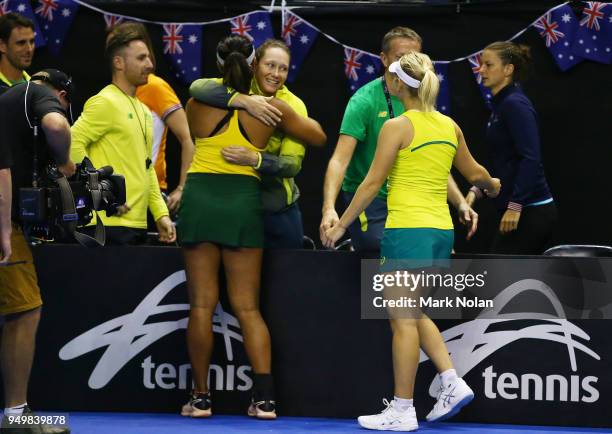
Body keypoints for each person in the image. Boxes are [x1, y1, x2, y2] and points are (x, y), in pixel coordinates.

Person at [323, 52, 500, 431]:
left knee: (402, 321)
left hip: (407, 231)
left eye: (390, 76)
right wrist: (492, 186)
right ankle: (450, 381)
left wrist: (340, 226)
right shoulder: (449, 126)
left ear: (398, 84)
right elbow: (476, 173)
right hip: (439, 233)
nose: (387, 80)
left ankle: (403, 409)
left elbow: (371, 184)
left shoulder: (397, 127)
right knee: (414, 314)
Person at [178, 34, 325, 420]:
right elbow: (319, 137)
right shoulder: (270, 110)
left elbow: (199, 89)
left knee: (200, 306)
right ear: (254, 63)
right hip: (242, 203)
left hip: (199, 200)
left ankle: (201, 398)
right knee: (247, 307)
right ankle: (264, 401)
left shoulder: (195, 102)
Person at [320, 27, 478, 253]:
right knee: (390, 250)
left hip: (413, 202)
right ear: (384, 59)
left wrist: (461, 202)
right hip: (370, 201)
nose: (406, 64)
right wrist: (329, 209)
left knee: (426, 257)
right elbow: (340, 160)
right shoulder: (364, 101)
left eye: (413, 58)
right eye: (399, 57)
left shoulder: (426, 106)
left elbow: (435, 164)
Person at [0, 69, 75, 434]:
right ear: (62, 95)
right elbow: (57, 127)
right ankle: (17, 416)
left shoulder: (9, 99)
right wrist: (63, 162)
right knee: (25, 310)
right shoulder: (41, 95)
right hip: (3, 226)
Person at [190, 39, 313, 249]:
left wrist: (255, 159)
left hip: (277, 208)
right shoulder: (239, 86)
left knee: (288, 277)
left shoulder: (293, 105)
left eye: (283, 69)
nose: (276, 74)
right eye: (270, 65)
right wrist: (244, 100)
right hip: (232, 204)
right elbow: (197, 87)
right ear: (254, 64)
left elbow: (292, 165)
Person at [70, 24, 175, 245]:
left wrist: (160, 214)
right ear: (118, 62)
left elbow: (147, 168)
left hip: (135, 224)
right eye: (141, 58)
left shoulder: (145, 111)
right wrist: (100, 193)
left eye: (148, 57)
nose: (150, 64)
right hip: (107, 226)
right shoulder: (105, 101)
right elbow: (71, 144)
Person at [467, 41, 556, 255]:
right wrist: (478, 190)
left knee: (500, 279)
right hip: (518, 209)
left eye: (488, 65)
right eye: (481, 64)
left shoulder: (515, 104)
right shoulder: (500, 105)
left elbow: (530, 158)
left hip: (531, 210)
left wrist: (515, 206)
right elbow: (503, 162)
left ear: (508, 69)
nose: (481, 70)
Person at [107, 22, 194, 214]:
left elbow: (188, 138)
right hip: (117, 192)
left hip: (150, 193)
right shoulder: (111, 94)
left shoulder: (155, 86)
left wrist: (182, 188)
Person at [0, 13, 34, 92]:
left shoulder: (38, 86)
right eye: (21, 43)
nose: (29, 49)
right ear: (2, 46)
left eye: (32, 41)